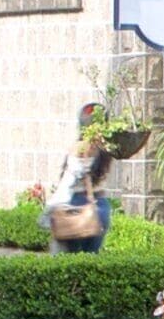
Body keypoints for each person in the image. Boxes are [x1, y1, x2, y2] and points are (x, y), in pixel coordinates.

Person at [47, 104, 115, 254]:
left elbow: (70, 178)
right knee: (91, 258)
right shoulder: (107, 148)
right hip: (100, 207)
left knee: (67, 259)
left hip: (77, 206)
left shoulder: (80, 148)